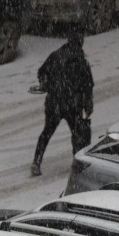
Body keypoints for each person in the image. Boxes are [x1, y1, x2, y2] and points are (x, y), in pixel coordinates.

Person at [31, 31, 94, 176]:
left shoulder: (55, 56)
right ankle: (78, 163)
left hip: (54, 103)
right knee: (77, 133)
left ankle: (36, 161)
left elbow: (42, 72)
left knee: (47, 132)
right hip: (73, 105)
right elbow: (87, 86)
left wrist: (46, 84)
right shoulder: (82, 62)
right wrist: (88, 106)